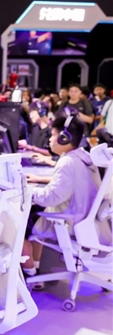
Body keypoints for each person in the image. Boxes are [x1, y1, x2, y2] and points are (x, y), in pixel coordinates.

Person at [23, 116, 108, 289]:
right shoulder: (83, 157)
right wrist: (40, 179)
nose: (50, 139)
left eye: (53, 135)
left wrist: (26, 191)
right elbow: (72, 182)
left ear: (64, 138)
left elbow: (51, 197)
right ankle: (36, 270)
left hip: (71, 222)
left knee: (27, 220)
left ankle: (31, 273)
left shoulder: (67, 162)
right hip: (89, 221)